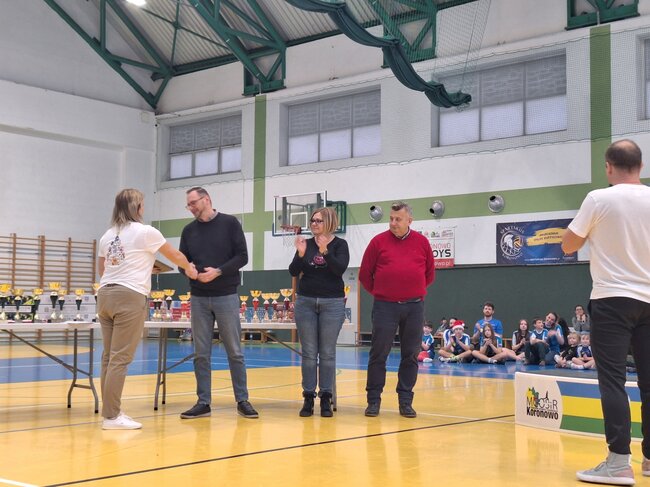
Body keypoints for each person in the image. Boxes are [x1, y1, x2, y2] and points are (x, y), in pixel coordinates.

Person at [562, 139, 650, 485]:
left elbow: (569, 244)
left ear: (608, 167)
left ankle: (618, 463)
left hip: (612, 300)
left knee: (613, 381)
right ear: (641, 167)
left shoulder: (598, 199)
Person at [97, 189, 198, 430]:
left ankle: (110, 412)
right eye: (142, 204)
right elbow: (174, 255)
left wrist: (139, 268)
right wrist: (190, 269)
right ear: (137, 207)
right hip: (129, 297)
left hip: (105, 294)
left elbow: (104, 269)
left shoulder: (107, 235)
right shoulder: (146, 232)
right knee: (120, 358)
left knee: (109, 357)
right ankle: (112, 416)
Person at [178, 187, 258, 420]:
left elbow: (242, 256)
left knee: (235, 351)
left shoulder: (230, 223)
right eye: (188, 204)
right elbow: (183, 262)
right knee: (200, 354)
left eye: (193, 203)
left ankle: (242, 400)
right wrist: (189, 271)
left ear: (206, 200)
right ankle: (203, 402)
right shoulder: (188, 230)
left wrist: (218, 271)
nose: (191, 208)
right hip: (198, 297)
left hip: (226, 295)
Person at [359, 201, 435, 418]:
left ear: (409, 220)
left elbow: (429, 274)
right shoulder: (377, 242)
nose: (393, 223)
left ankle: (405, 401)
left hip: (414, 307)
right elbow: (365, 275)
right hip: (385, 307)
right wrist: (382, 292)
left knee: (410, 355)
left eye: (398, 219)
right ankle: (373, 401)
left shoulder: (422, 242)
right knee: (378, 354)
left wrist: (411, 289)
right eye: (391, 219)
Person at [289, 207, 349, 417]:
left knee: (327, 353)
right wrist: (300, 254)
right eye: (312, 221)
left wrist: (325, 251)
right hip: (306, 302)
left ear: (329, 222)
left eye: (318, 221)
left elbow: (339, 269)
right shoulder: (306, 244)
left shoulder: (340, 245)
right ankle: (308, 397)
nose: (314, 224)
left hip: (332, 303)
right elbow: (293, 271)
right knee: (308, 352)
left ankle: (325, 396)